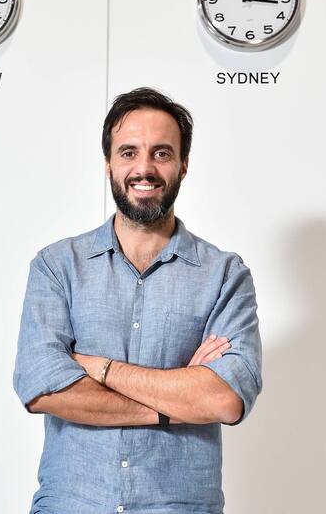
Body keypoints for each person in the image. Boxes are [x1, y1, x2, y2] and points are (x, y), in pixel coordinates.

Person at [13, 87, 262, 513]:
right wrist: (176, 402)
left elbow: (224, 399)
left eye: (162, 153)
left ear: (184, 165)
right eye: (128, 152)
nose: (144, 168)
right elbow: (41, 389)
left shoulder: (225, 275)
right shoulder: (57, 266)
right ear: (108, 164)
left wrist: (100, 368)